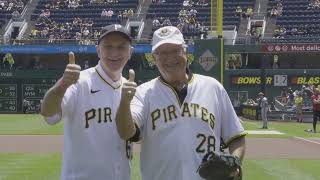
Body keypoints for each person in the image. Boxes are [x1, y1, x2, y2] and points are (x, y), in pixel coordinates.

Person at [115, 26, 247, 180]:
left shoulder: (212, 87)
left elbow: (236, 137)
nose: (170, 58)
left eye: (175, 51)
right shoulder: (144, 93)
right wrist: (124, 102)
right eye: (163, 53)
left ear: (185, 52)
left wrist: (235, 163)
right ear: (154, 58)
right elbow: (126, 132)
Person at [40, 24, 133, 180]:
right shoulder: (79, 82)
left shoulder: (130, 88)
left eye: (121, 47)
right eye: (108, 47)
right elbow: (48, 113)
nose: (114, 53)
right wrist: (62, 84)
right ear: (98, 50)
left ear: (130, 52)